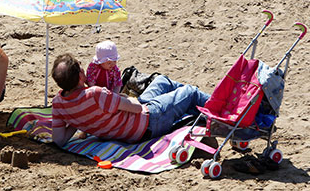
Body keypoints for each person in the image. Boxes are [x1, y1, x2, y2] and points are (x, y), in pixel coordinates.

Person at [51, 53, 210, 147]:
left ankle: (196, 112)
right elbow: (137, 108)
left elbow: (59, 140)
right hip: (148, 123)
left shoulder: (59, 104)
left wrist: (75, 118)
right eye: (80, 66)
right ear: (80, 77)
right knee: (190, 92)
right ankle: (224, 110)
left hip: (126, 125)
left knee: (162, 81)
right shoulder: (95, 94)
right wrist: (124, 97)